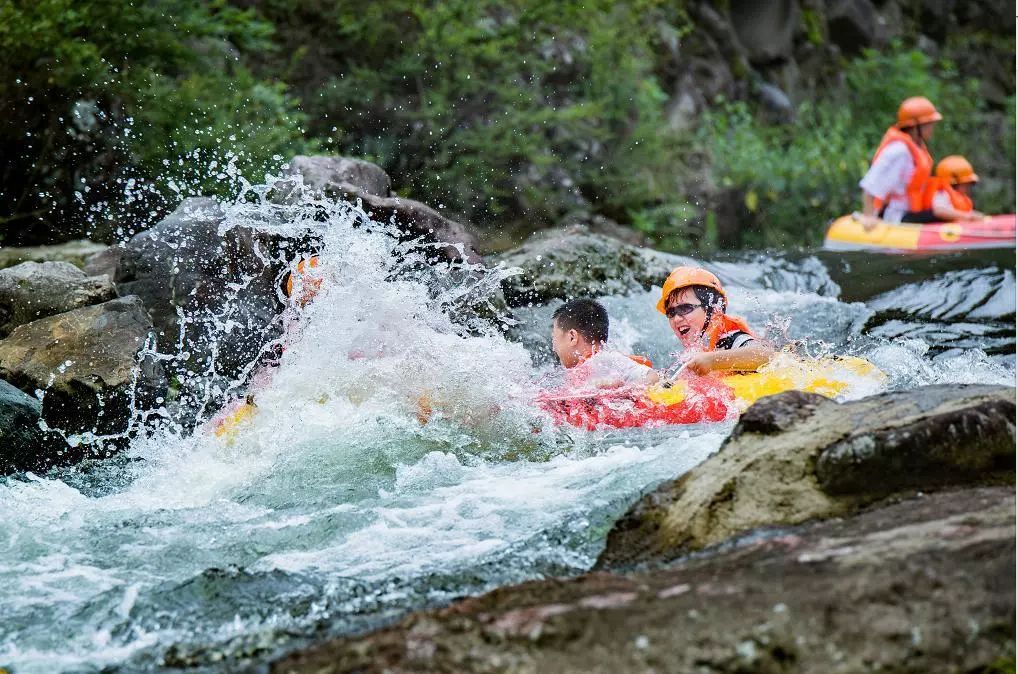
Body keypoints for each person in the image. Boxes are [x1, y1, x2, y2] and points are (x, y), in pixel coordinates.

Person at [657, 266, 774, 376]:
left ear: (714, 309)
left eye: (685, 308)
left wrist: (712, 360)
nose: (676, 318)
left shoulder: (731, 339)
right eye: (671, 312)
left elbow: (766, 354)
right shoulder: (694, 350)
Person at [858, 96, 942, 228]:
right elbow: (870, 186)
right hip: (895, 216)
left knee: (941, 214)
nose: (932, 128)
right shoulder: (899, 151)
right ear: (915, 127)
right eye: (929, 124)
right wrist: (868, 217)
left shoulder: (916, 148)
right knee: (938, 215)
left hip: (909, 213)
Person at [550, 298, 658, 388]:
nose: (553, 347)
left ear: (572, 337)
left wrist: (620, 390)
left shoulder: (604, 361)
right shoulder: (573, 372)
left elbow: (653, 377)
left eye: (554, 337)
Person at [922, 155, 985, 222]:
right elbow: (939, 211)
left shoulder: (959, 197)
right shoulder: (941, 193)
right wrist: (968, 216)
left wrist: (975, 215)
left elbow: (962, 212)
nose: (968, 187)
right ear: (954, 184)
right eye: (965, 183)